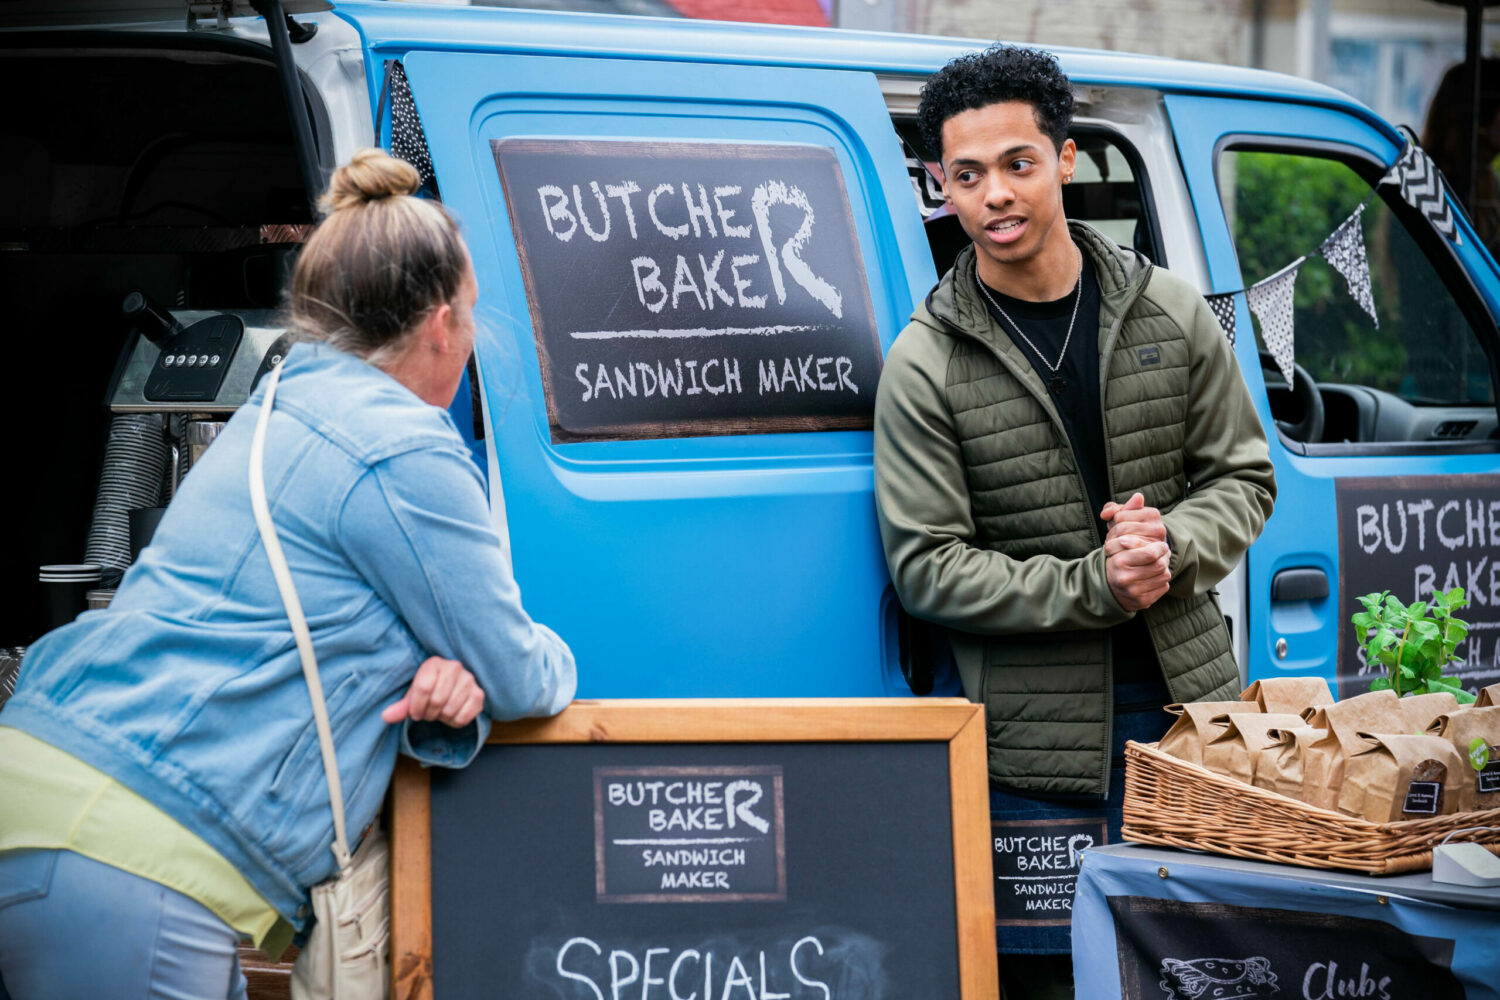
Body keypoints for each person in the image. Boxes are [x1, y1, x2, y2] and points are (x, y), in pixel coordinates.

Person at [0, 148, 577, 999]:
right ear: (443, 325)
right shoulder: (406, 445)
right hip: (134, 854)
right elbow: (522, 673)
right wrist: (513, 662)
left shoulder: (271, 409)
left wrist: (438, 685)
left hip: (39, 789)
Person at [873, 45, 1275, 992]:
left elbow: (1245, 479)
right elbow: (927, 568)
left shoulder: (1172, 314)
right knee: (1051, 981)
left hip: (1189, 712)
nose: (995, 196)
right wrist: (1097, 582)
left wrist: (1170, 544)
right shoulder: (925, 362)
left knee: (1201, 967)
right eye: (966, 175)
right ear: (941, 186)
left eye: (1017, 163)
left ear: (1065, 158)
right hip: (1029, 746)